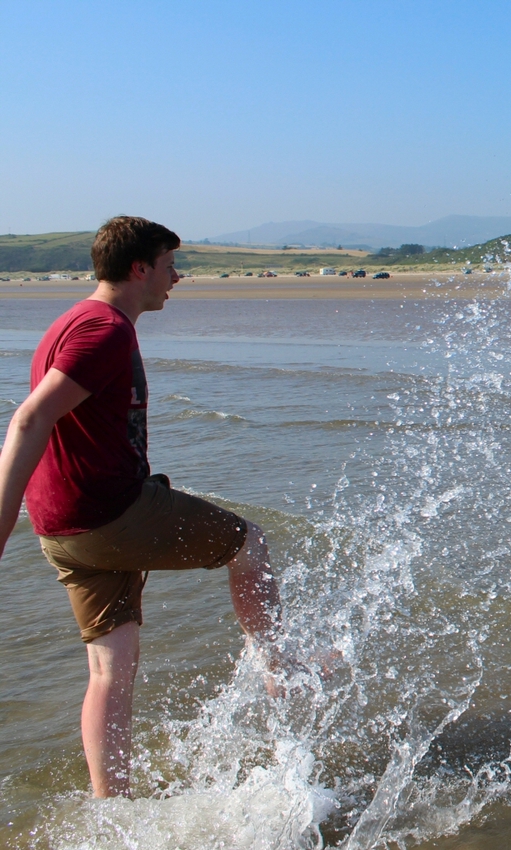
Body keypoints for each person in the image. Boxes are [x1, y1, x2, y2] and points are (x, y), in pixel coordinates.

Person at [0, 216, 284, 798]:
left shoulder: (71, 320)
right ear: (139, 269)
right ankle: (276, 668)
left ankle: (114, 810)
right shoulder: (103, 330)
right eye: (169, 265)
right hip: (110, 513)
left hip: (62, 527)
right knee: (249, 543)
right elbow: (30, 418)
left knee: (110, 670)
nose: (176, 278)